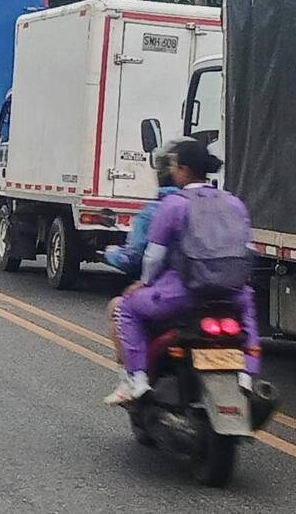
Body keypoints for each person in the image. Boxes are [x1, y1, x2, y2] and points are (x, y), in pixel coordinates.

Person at [104, 139, 261, 405]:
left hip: (185, 291)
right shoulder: (234, 203)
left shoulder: (174, 204)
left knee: (128, 308)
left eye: (175, 165)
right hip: (231, 290)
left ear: (185, 170)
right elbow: (248, 249)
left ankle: (138, 381)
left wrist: (143, 283)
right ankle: (246, 376)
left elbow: (154, 255)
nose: (173, 171)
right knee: (248, 317)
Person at [102, 146, 183, 366]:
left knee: (120, 308)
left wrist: (111, 254)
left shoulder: (156, 211)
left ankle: (131, 377)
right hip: (213, 294)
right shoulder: (212, 205)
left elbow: (139, 257)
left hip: (169, 292)